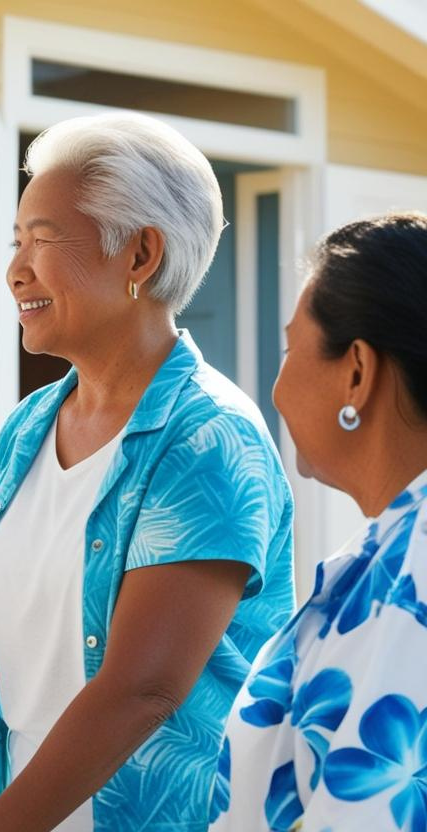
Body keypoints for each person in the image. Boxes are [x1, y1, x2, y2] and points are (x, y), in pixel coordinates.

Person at [0, 112, 295, 832]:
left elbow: (141, 692)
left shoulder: (209, 439)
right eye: (16, 239)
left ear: (140, 255)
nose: (15, 268)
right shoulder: (27, 430)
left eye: (45, 239)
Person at [211, 212, 427, 831]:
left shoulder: (412, 571)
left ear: (356, 372)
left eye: (289, 348)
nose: (275, 388)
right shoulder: (390, 547)